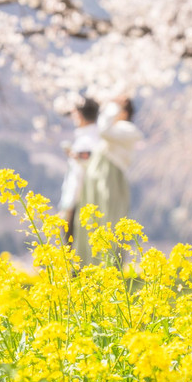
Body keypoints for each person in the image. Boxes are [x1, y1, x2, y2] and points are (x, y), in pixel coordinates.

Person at [73, 95, 143, 266]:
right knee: (91, 224)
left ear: (125, 113)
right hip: (98, 183)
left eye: (119, 110)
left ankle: (107, 268)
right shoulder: (117, 132)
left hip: (111, 182)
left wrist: (113, 105)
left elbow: (103, 130)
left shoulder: (127, 129)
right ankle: (88, 266)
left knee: (107, 223)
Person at [59, 97, 100, 245]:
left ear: (79, 114)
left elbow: (77, 178)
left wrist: (67, 208)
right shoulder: (99, 139)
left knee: (73, 253)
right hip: (94, 205)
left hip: (78, 205)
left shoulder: (84, 143)